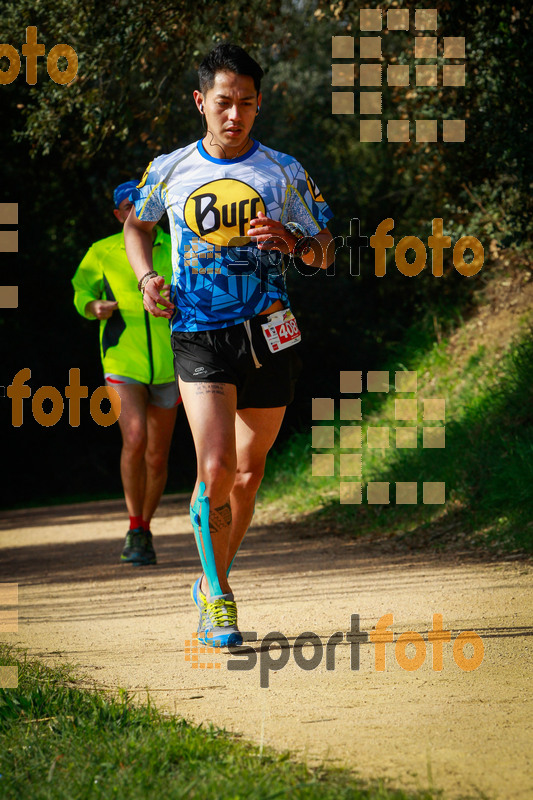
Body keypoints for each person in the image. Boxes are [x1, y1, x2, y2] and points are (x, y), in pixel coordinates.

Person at [124, 44, 333, 645]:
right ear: (200, 103)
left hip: (271, 335)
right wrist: (145, 279)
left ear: (259, 103)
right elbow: (137, 225)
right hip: (199, 335)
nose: (234, 113)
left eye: (246, 102)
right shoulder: (169, 169)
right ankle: (218, 595)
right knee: (213, 467)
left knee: (247, 473)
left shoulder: (285, 172)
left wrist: (294, 242)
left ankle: (212, 577)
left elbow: (325, 251)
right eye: (223, 102)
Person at [72, 181, 180, 566]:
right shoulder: (101, 251)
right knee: (134, 438)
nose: (137, 210)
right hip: (122, 362)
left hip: (171, 364)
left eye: (145, 204)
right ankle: (134, 526)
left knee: (157, 454)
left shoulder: (177, 246)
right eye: (128, 206)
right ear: (119, 214)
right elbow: (79, 290)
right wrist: (92, 306)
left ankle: (144, 527)